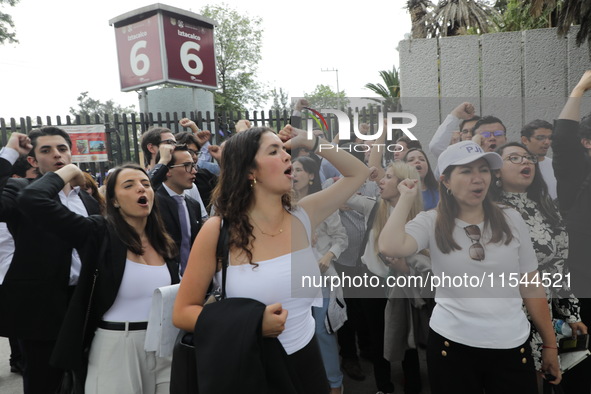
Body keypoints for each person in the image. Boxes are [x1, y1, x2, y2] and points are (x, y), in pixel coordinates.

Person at [173, 124, 369, 392]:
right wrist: (252, 324)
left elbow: (358, 172)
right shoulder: (218, 230)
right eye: (274, 151)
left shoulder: (304, 215)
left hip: (308, 362)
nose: (287, 156)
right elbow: (183, 312)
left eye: (284, 149)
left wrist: (313, 143)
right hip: (254, 368)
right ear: (250, 171)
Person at [378, 140, 561, 393]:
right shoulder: (431, 221)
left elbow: (530, 284)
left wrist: (550, 345)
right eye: (466, 171)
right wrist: (407, 198)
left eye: (483, 169)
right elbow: (390, 246)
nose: (478, 178)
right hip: (451, 346)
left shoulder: (511, 218)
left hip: (512, 344)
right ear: (446, 181)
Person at [18, 162, 179, 394]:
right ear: (113, 200)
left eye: (146, 184)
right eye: (129, 185)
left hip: (164, 347)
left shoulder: (164, 241)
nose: (141, 189)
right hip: (117, 347)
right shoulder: (97, 232)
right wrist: (70, 171)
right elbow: (31, 199)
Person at [0, 128, 101, 394]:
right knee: (44, 383)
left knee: (89, 380)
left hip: (85, 303)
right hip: (42, 310)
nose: (57, 154)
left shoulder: (88, 200)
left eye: (62, 148)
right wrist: (10, 153)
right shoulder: (21, 191)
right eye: (46, 150)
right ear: (32, 161)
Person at [490, 142, 586, 374]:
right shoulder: (487, 210)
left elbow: (558, 267)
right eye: (514, 158)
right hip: (503, 312)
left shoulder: (547, 207)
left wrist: (570, 313)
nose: (525, 161)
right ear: (496, 172)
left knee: (541, 374)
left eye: (528, 158)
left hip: (541, 309)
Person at [346, 161, 427, 394]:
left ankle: (413, 385)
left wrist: (406, 269)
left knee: (407, 339)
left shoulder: (422, 219)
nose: (381, 180)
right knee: (377, 339)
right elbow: (345, 192)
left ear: (404, 184)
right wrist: (362, 174)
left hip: (403, 286)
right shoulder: (373, 207)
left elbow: (428, 265)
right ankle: (383, 387)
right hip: (371, 285)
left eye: (388, 176)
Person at [292, 155, 347, 394]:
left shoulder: (324, 204)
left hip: (322, 278)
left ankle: (335, 383)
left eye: (299, 170)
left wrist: (328, 256)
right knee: (297, 330)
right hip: (292, 280)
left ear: (312, 175)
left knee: (322, 331)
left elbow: (341, 238)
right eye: (290, 170)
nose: (293, 174)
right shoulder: (281, 206)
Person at [552, 69, 591, 393]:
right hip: (578, 297)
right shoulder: (576, 176)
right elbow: (563, 138)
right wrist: (579, 88)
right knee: (576, 371)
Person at [149, 144, 203, 275]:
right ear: (168, 170)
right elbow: (145, 189)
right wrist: (162, 162)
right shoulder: (153, 201)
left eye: (194, 165)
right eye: (187, 166)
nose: (194, 171)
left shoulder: (193, 205)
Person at [519, 120, 557, 201]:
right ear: (525, 140)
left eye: (550, 138)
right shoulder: (514, 166)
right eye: (540, 138)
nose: (547, 142)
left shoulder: (556, 166)